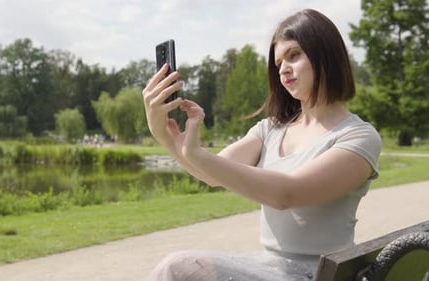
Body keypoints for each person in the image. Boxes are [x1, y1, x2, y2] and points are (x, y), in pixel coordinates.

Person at [142, 8, 381, 281]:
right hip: (268, 269)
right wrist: (163, 133)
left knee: (178, 267)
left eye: (294, 55)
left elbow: (287, 194)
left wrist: (195, 153)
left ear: (325, 54)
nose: (284, 70)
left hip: (315, 275)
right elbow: (211, 173)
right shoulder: (271, 129)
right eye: (279, 63)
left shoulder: (358, 137)